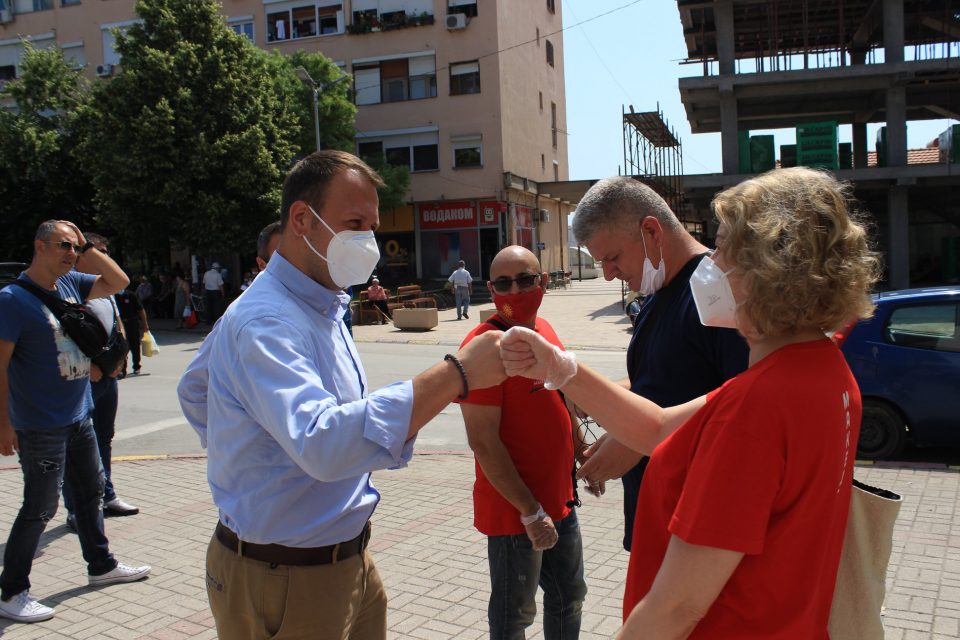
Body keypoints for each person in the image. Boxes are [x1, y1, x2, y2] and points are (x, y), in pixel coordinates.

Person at [500, 167, 881, 638]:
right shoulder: (820, 370)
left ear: (768, 269)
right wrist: (562, 370)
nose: (711, 262)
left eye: (721, 247)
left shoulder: (757, 407)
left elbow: (676, 606)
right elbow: (661, 429)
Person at [177, 150, 506, 640]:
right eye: (354, 224)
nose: (368, 242)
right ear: (302, 219)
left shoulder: (318, 300)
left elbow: (195, 389)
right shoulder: (268, 319)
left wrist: (254, 451)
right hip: (285, 576)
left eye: (371, 226)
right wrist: (456, 373)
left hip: (342, 559)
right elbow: (324, 445)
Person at [572, 177, 749, 551]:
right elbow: (657, 380)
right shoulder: (657, 291)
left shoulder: (719, 293)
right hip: (656, 523)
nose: (607, 274)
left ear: (651, 230)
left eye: (613, 258)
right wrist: (589, 397)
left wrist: (640, 440)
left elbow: (748, 407)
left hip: (697, 537)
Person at [0, 220, 152, 623]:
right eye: (62, 245)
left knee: (90, 494)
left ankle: (100, 566)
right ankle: (11, 591)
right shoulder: (12, 299)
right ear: (38, 247)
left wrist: (87, 247)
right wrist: (3, 424)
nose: (70, 253)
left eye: (76, 246)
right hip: (40, 424)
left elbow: (117, 281)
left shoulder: (70, 284)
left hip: (79, 414)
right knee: (40, 507)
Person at [457, 246, 587, 640]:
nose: (515, 290)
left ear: (543, 282)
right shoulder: (484, 346)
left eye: (525, 280)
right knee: (515, 616)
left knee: (570, 597)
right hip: (516, 512)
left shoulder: (544, 330)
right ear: (490, 288)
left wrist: (582, 453)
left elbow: (559, 398)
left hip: (560, 500)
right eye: (503, 283)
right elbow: (482, 441)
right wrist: (530, 513)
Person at [63, 232, 139, 530]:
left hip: (109, 377)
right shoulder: (70, 286)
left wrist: (119, 360)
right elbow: (67, 332)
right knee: (78, 445)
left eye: (106, 252)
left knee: (103, 438)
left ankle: (105, 496)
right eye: (98, 252)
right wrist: (90, 365)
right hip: (86, 378)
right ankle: (75, 507)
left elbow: (115, 324)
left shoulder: (103, 289)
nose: (105, 257)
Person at [115, 285, 149, 376]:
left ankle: (136, 367)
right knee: (122, 346)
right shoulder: (113, 296)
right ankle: (122, 369)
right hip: (120, 324)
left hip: (132, 323)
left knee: (135, 346)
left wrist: (145, 324)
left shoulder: (131, 295)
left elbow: (141, 310)